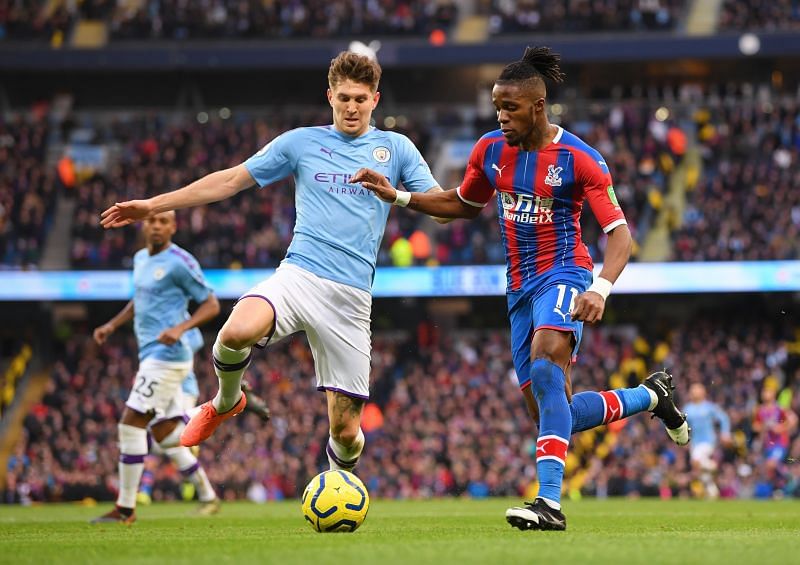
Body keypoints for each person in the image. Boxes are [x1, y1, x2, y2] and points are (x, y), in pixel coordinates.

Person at [352, 46, 690, 531]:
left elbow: (620, 235)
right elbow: (464, 203)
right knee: (554, 411)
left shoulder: (580, 159)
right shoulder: (491, 150)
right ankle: (651, 397)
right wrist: (400, 196)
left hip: (566, 274)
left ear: (537, 106)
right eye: (496, 107)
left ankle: (549, 502)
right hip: (518, 289)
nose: (501, 116)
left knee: (547, 356)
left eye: (509, 108)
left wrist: (600, 288)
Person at [99, 51, 443, 477]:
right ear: (329, 96)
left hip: (351, 299)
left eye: (360, 98)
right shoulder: (300, 142)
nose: (351, 107)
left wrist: (399, 196)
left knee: (347, 430)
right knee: (234, 331)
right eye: (343, 98)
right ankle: (227, 401)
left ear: (376, 99)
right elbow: (229, 180)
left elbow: (444, 209)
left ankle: (340, 485)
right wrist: (152, 204)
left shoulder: (396, 149)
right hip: (299, 274)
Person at [91, 211, 222, 524]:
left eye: (164, 221)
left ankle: (125, 509)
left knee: (130, 423)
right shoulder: (139, 260)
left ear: (174, 226)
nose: (158, 226)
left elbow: (212, 304)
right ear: (144, 225)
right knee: (164, 435)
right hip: (150, 355)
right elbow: (140, 300)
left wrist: (181, 328)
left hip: (169, 357)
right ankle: (208, 490)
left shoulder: (180, 262)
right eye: (152, 221)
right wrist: (111, 325)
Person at [135, 329, 271, 506]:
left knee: (167, 439)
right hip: (164, 385)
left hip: (181, 387)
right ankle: (200, 492)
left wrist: (174, 344)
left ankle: (229, 402)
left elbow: (196, 339)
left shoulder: (182, 320)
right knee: (163, 441)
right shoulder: (154, 319)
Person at [684, 382, 731, 498]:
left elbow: (724, 418)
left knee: (695, 461)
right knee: (700, 469)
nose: (694, 391)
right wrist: (684, 439)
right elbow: (682, 425)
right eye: (692, 389)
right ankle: (712, 491)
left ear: (703, 392)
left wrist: (725, 433)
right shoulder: (687, 408)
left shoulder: (709, 407)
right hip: (694, 442)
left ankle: (712, 466)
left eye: (697, 389)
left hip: (708, 441)